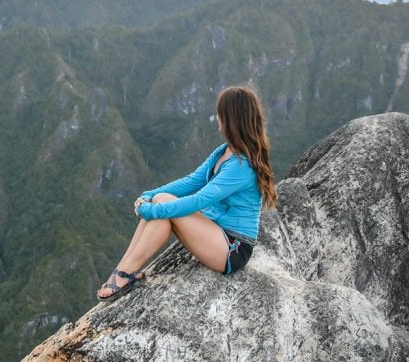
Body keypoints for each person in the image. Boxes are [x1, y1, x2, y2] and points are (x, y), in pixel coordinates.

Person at [96, 85, 277, 301]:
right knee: (161, 203)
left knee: (162, 211)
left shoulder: (241, 165)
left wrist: (151, 209)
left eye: (220, 113)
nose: (217, 118)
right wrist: (150, 194)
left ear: (229, 119)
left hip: (232, 248)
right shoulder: (224, 151)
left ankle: (124, 274)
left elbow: (200, 199)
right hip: (214, 232)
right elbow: (191, 181)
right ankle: (124, 271)